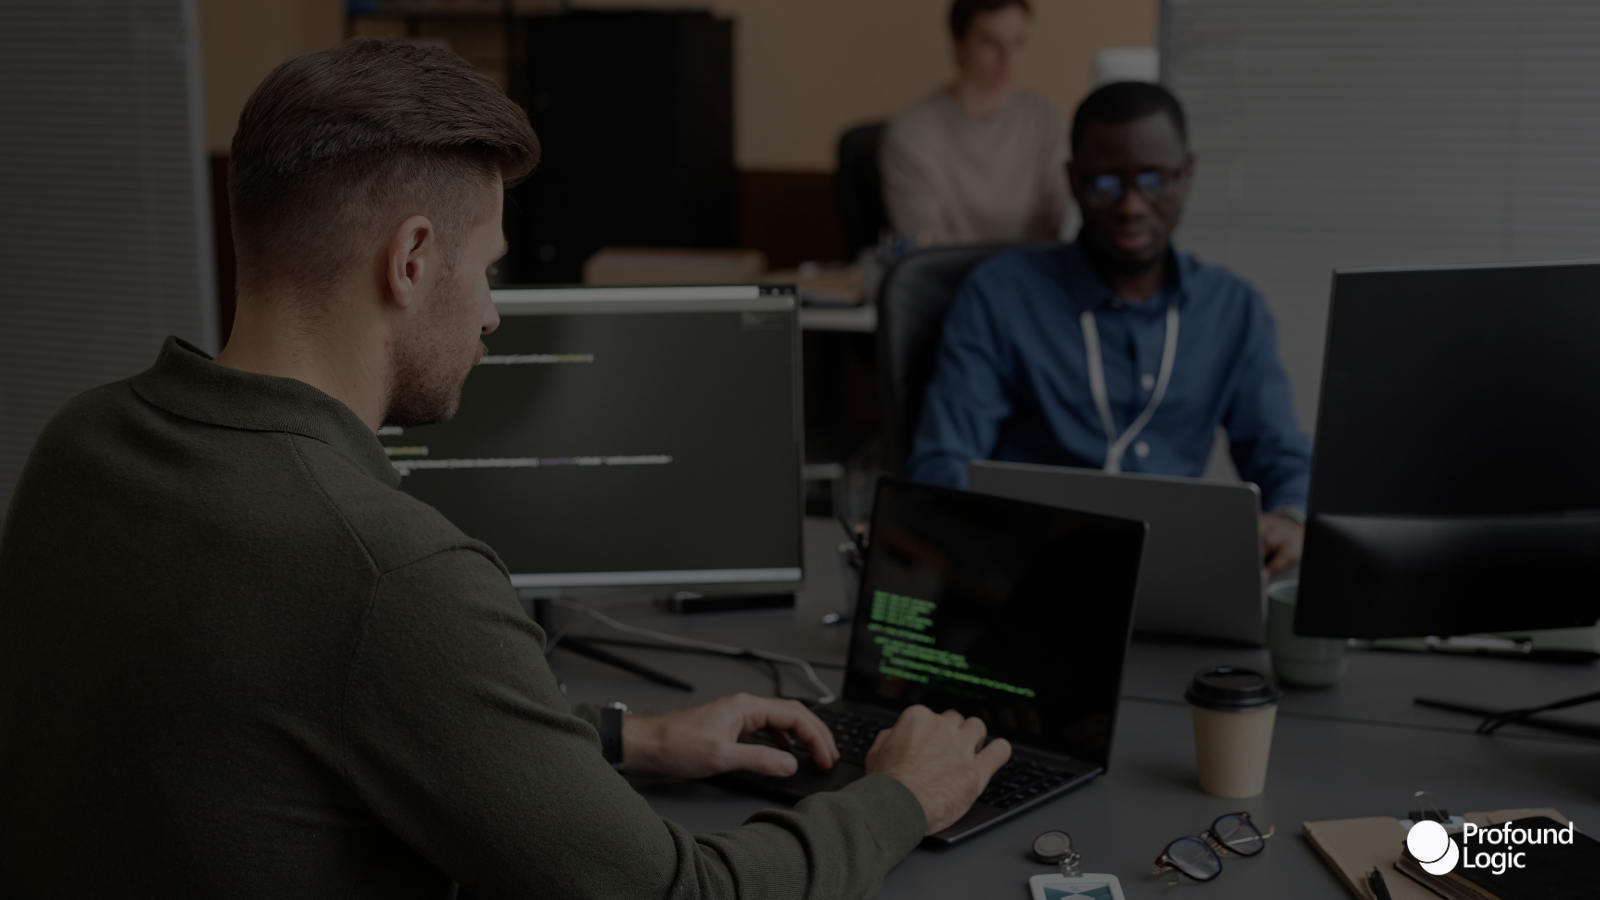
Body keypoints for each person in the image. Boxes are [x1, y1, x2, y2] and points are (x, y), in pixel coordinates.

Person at [0, 39, 1011, 897]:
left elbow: (280, 708)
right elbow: (681, 892)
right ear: (408, 261)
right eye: (486, 269)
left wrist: (631, 741)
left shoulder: (82, 442)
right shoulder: (394, 570)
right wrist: (898, 798)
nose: (491, 312)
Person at [903, 81, 1313, 576]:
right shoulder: (999, 297)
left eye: (1155, 179)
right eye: (1106, 182)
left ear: (1186, 176)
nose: (1131, 205)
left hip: (1173, 572)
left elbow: (1280, 453)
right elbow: (943, 463)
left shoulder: (1234, 309)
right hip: (1028, 570)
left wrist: (1290, 518)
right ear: (1074, 180)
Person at [879, 0, 1068, 245]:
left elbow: (1065, 217)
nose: (1008, 58)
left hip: (1035, 276)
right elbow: (926, 250)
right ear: (959, 45)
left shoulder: (1043, 118)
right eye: (991, 43)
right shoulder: (911, 136)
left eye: (1018, 42)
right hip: (953, 279)